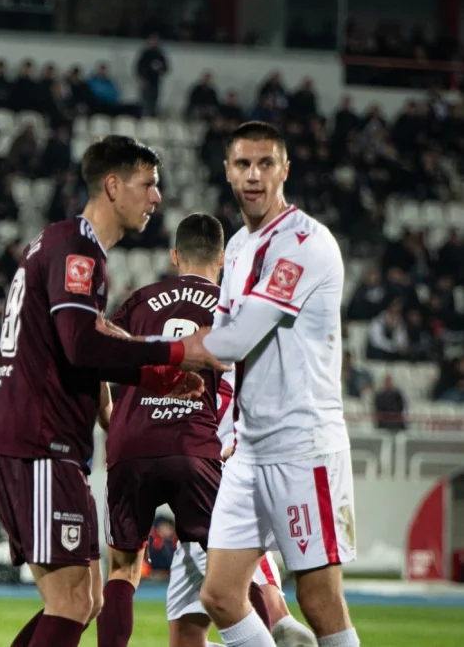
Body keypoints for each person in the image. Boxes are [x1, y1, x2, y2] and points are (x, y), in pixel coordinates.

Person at [0, 135, 225, 647]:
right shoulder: (78, 249)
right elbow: (80, 344)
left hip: (42, 440)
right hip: (40, 442)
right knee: (72, 601)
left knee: (89, 597)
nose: (157, 196)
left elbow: (81, 339)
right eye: (148, 184)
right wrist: (174, 352)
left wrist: (141, 383)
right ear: (113, 186)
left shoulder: (62, 242)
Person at [194, 121, 358, 647]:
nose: (254, 175)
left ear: (285, 170)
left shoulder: (306, 242)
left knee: (319, 600)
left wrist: (146, 351)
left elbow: (237, 338)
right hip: (250, 450)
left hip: (302, 446)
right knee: (220, 594)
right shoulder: (239, 246)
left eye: (266, 164)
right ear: (227, 171)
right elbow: (220, 338)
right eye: (243, 164)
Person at [95, 213, 228, 647]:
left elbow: (98, 356)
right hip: (194, 445)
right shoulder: (230, 305)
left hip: (132, 441)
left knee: (122, 569)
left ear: (174, 255)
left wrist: (110, 418)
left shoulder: (140, 300)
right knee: (231, 570)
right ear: (223, 258)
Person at [163, 370, 318, 647]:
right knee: (188, 635)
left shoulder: (218, 374)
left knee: (266, 616)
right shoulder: (236, 372)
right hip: (214, 499)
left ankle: (278, 622)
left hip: (222, 495)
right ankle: (278, 622)